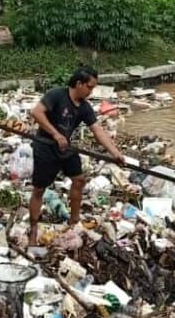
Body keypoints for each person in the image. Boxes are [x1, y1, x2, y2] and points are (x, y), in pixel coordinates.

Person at [28, 67, 125, 246]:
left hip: (65, 148)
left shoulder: (85, 107)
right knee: (39, 189)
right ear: (79, 83)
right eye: (89, 87)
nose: (91, 91)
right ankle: (33, 229)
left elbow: (97, 130)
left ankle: (74, 221)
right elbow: (36, 112)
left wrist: (116, 153)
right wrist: (56, 135)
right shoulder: (57, 95)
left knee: (79, 180)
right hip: (46, 146)